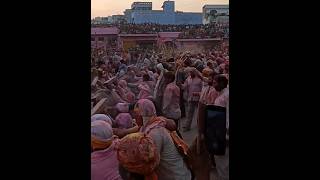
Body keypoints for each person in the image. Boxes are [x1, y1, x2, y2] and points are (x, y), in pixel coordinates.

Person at [136, 99, 192, 180]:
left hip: (177, 176)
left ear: (143, 114)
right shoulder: (153, 124)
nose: (135, 117)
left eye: (137, 114)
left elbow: (151, 162)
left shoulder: (155, 132)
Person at [213, 75, 229, 180]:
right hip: (222, 132)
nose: (214, 84)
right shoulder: (224, 94)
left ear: (222, 83)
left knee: (222, 163)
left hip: (223, 134)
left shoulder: (224, 97)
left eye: (215, 82)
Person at [162, 71, 182, 137]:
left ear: (170, 79)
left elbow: (167, 101)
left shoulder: (169, 88)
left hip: (170, 112)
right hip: (176, 110)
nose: (164, 80)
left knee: (173, 131)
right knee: (175, 130)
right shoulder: (176, 87)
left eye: (165, 78)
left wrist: (163, 111)